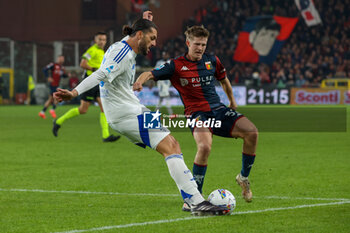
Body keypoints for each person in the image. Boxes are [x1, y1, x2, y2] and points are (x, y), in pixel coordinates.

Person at [53, 16, 228, 216]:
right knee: (170, 146)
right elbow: (100, 74)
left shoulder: (123, 46)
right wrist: (74, 93)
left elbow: (130, 42)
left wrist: (144, 21)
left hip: (133, 109)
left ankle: (194, 201)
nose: (154, 43)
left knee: (172, 144)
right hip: (125, 114)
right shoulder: (122, 54)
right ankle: (196, 202)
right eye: (152, 38)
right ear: (139, 35)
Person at [134, 25, 258, 211]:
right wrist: (139, 82)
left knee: (252, 133)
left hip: (219, 110)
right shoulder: (175, 65)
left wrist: (232, 101)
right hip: (196, 114)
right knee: (204, 146)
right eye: (197, 44)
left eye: (203, 44)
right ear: (188, 43)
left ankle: (243, 177)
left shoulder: (212, 60)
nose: (200, 48)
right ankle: (194, 197)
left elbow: (224, 80)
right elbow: (149, 73)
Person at [52, 32, 120, 142]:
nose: (102, 41)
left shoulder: (102, 51)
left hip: (99, 84)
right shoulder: (92, 50)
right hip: (90, 83)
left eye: (104, 39)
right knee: (83, 110)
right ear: (95, 40)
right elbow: (82, 64)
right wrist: (93, 69)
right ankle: (58, 121)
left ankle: (106, 135)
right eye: (100, 39)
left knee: (104, 108)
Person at [39, 55, 68, 119]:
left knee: (50, 99)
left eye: (63, 58)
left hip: (57, 85)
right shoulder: (53, 65)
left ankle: (42, 112)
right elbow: (44, 69)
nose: (62, 59)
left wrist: (67, 75)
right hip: (53, 84)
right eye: (60, 58)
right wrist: (48, 77)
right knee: (57, 97)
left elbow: (63, 75)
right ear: (58, 59)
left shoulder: (62, 67)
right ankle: (52, 110)